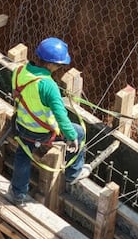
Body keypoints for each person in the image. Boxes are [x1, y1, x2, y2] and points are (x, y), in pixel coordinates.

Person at [7, 37, 88, 206]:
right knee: (79, 132)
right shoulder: (48, 86)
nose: (60, 68)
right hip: (42, 133)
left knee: (23, 155)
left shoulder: (19, 71)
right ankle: (74, 173)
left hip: (21, 126)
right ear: (51, 65)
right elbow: (61, 116)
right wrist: (71, 136)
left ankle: (18, 194)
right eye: (59, 65)